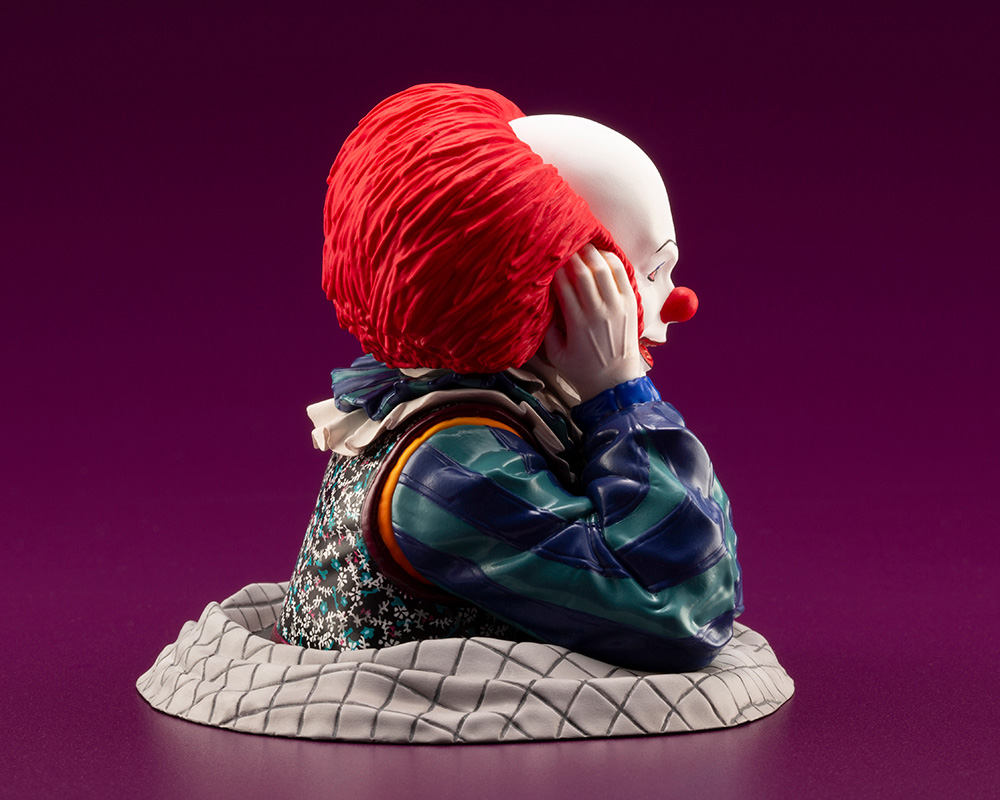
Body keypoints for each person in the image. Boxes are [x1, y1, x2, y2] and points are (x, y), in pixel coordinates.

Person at [273, 83, 741, 673]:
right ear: (562, 277)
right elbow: (688, 613)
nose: (680, 301)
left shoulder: (495, 407)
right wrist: (621, 393)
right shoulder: (453, 468)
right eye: (652, 272)